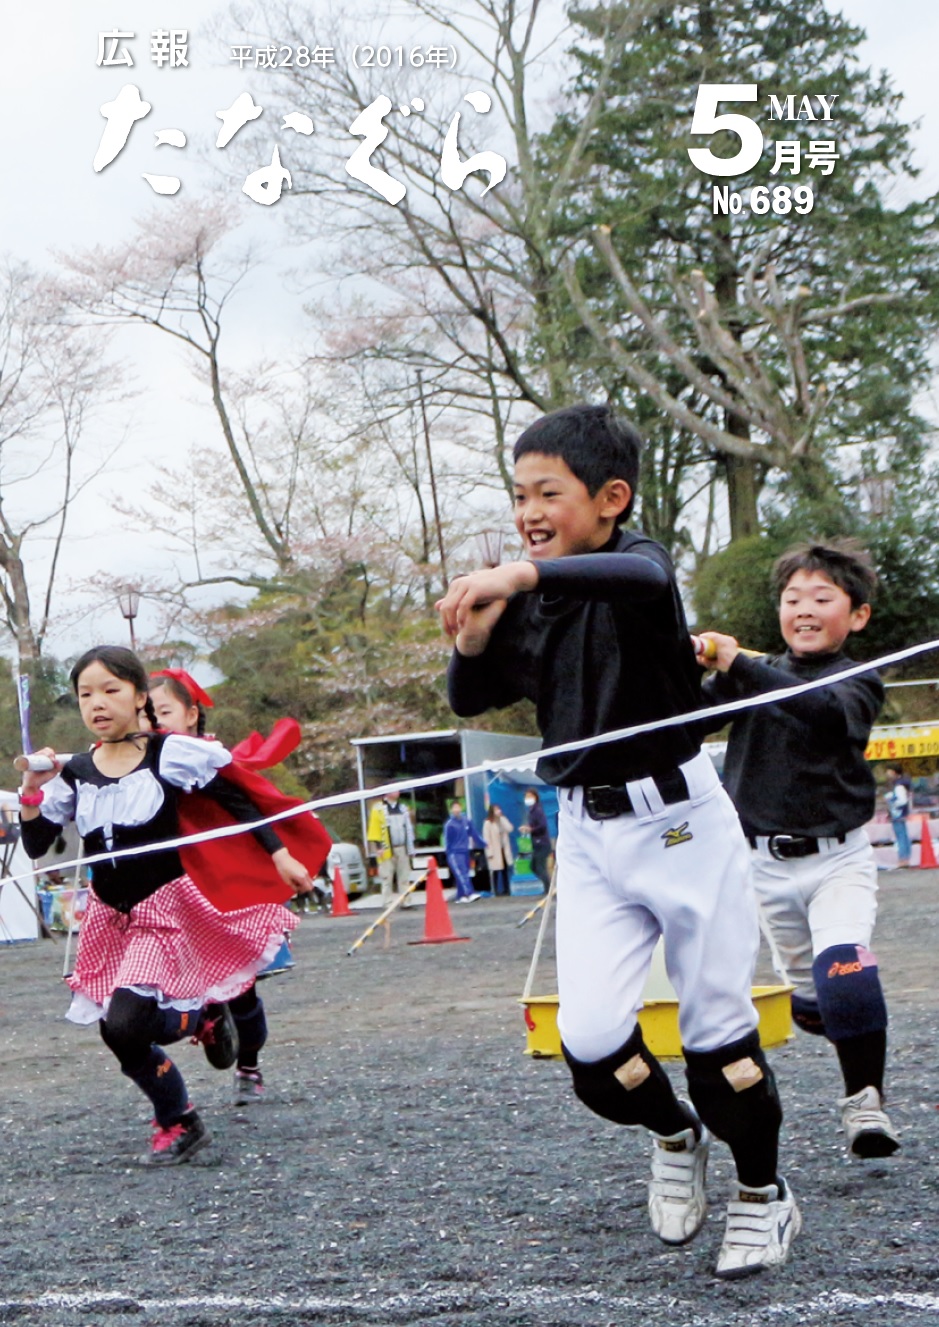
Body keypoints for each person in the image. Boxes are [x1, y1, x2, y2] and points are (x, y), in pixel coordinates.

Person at [436, 403, 798, 1279]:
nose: (526, 509)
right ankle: (674, 1136)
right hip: (589, 832)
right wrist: (476, 637)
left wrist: (520, 574)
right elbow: (468, 700)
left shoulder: (638, 568)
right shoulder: (536, 599)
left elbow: (641, 581)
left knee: (717, 1036)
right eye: (517, 492)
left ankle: (762, 1194)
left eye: (546, 492)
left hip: (681, 823)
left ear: (609, 498)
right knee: (592, 1045)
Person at [19, 646, 326, 1166]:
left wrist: (279, 856)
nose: (97, 703)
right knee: (118, 1031)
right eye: (85, 694)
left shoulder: (171, 754)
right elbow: (36, 844)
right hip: (108, 917)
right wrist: (31, 791)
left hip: (164, 912)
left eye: (111, 690)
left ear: (140, 697)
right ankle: (181, 1118)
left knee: (125, 1024)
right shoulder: (74, 773)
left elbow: (238, 802)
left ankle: (200, 1023)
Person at [698, 539, 899, 1160]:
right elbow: (689, 721)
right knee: (813, 1007)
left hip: (837, 861)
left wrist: (743, 666)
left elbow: (818, 712)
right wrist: (694, 666)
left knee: (848, 977)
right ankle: (824, 1013)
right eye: (792, 599)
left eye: (821, 597)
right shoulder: (752, 676)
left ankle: (865, 1103)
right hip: (760, 867)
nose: (804, 609)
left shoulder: (856, 680)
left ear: (856, 615)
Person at [149, 668, 322, 1105]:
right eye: (148, 714)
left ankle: (250, 1064)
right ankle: (206, 1017)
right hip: (171, 884)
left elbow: (242, 805)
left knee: (242, 989)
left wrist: (279, 854)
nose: (156, 722)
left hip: (221, 881)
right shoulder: (135, 760)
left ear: (191, 715)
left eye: (165, 712)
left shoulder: (197, 759)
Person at [366, 788, 415, 907]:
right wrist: (378, 847)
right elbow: (374, 828)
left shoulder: (403, 808)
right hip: (386, 848)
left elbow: (408, 828)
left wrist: (411, 847)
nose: (397, 792)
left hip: (402, 847)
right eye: (394, 789)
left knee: (404, 876)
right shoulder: (378, 809)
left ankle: (406, 901)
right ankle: (387, 902)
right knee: (386, 876)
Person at [443, 800, 485, 903]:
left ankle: (461, 896)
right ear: (451, 810)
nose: (457, 810)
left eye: (458, 807)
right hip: (455, 853)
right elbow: (447, 841)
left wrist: (484, 844)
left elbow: (474, 834)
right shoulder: (449, 824)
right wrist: (449, 853)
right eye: (454, 808)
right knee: (461, 873)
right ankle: (469, 893)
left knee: (464, 872)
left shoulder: (466, 821)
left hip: (465, 851)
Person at [520, 788, 552, 892]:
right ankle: (548, 886)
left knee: (539, 866)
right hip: (537, 843)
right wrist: (527, 828)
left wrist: (531, 829)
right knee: (534, 866)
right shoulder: (532, 811)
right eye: (526, 796)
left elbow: (542, 826)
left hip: (542, 842)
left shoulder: (537, 810)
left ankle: (548, 888)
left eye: (530, 796)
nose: (528, 798)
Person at [482, 802, 514, 896]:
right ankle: (496, 891)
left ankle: (507, 890)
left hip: (503, 849)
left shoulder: (502, 820)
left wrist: (502, 819)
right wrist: (489, 852)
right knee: (495, 871)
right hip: (495, 851)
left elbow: (510, 828)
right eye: (496, 810)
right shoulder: (488, 823)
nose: (498, 811)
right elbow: (486, 838)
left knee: (505, 870)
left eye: (499, 809)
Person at [884, 766, 912, 869]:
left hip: (898, 814)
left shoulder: (899, 786)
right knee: (903, 836)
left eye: (889, 772)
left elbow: (902, 801)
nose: (888, 775)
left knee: (901, 837)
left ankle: (903, 859)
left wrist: (891, 801)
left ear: (895, 772)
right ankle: (905, 858)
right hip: (899, 814)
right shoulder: (900, 785)